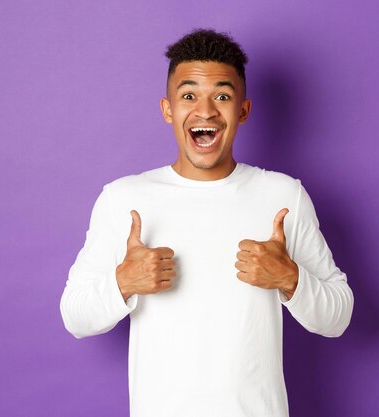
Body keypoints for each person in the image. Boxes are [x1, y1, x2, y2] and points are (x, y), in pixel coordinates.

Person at [59, 28, 354, 417]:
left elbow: (338, 318)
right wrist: (123, 282)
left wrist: (290, 278)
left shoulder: (283, 196)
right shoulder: (123, 199)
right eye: (188, 95)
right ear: (168, 109)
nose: (205, 111)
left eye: (222, 95)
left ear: (243, 110)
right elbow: (74, 315)